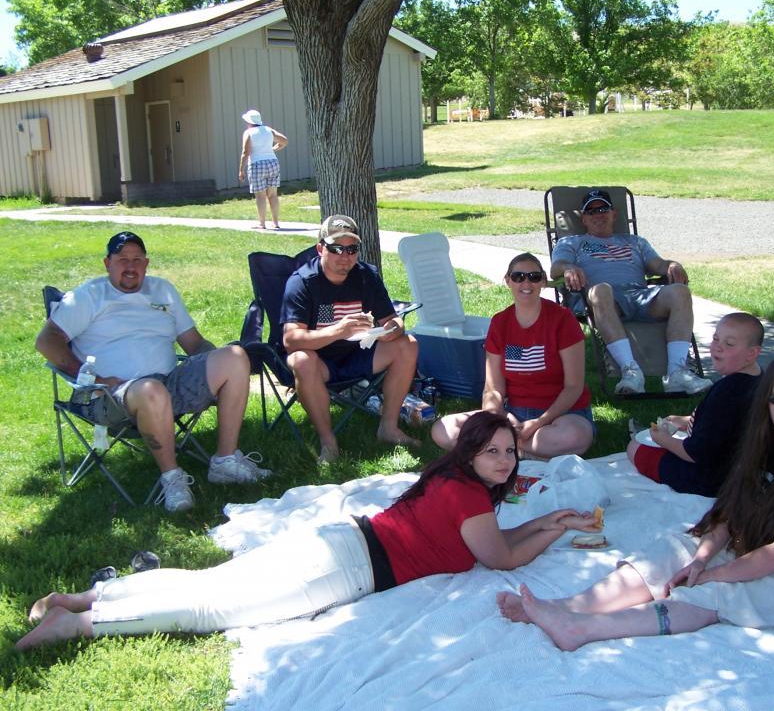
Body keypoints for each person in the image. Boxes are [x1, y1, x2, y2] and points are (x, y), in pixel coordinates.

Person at [16, 412, 602, 650]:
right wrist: (552, 529)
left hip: (339, 540)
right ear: (469, 452)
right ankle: (79, 623)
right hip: (345, 567)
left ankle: (90, 596)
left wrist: (548, 520)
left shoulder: (455, 482)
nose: (505, 460)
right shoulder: (468, 494)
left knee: (210, 582)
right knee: (211, 608)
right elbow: (501, 558)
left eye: (509, 452)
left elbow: (495, 541)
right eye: (492, 450)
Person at [498, 351, 774, 650]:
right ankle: (569, 606)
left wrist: (713, 575)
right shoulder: (769, 443)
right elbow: (731, 512)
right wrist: (702, 558)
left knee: (713, 593)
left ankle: (580, 629)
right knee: (678, 548)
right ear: (766, 403)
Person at [35, 232, 270, 513]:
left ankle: (225, 461)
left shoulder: (163, 290)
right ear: (107, 263)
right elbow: (46, 341)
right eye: (122, 260)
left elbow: (194, 343)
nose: (130, 266)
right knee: (151, 390)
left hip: (169, 383)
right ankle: (172, 478)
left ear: (146, 264)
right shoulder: (88, 296)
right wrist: (92, 379)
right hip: (112, 395)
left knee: (235, 356)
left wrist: (218, 371)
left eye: (137, 260)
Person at [280, 214, 419, 462]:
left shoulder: (366, 276)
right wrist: (339, 331)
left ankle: (388, 428)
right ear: (320, 248)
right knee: (301, 360)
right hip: (320, 361)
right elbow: (291, 340)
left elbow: (392, 319)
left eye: (351, 249)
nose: (345, 256)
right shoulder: (302, 282)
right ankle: (328, 441)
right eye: (336, 248)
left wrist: (392, 329)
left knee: (408, 345)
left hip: (359, 353)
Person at [550, 188, 711, 396]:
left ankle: (677, 372)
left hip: (640, 296)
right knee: (601, 290)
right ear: (584, 219)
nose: (598, 214)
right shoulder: (571, 242)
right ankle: (631, 372)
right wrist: (568, 268)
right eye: (591, 211)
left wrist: (672, 265)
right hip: (601, 299)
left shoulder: (635, 242)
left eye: (603, 209)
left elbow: (658, 264)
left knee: (680, 291)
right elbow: (556, 268)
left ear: (614, 214)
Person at [432, 254, 595, 459]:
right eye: (518, 277)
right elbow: (493, 389)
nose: (526, 283)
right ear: (508, 281)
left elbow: (573, 386)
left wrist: (538, 423)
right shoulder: (500, 323)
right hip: (513, 414)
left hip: (562, 415)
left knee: (574, 437)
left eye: (534, 277)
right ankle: (521, 449)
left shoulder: (563, 319)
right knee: (443, 429)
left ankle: (501, 449)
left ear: (543, 282)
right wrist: (497, 420)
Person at [627, 312, 764, 496]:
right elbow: (726, 424)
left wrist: (663, 440)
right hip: (743, 471)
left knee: (635, 447)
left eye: (729, 344)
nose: (718, 347)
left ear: (751, 353)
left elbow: (695, 453)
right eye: (716, 338)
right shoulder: (761, 380)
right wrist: (686, 421)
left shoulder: (726, 392)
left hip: (710, 480)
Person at [238, 109, 288, 230]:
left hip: (256, 164)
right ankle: (275, 223)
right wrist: (273, 149)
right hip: (272, 162)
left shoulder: (248, 133)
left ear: (249, 122)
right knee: (273, 195)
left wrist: (241, 170)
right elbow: (284, 141)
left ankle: (262, 224)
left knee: (260, 196)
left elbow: (245, 152)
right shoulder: (268, 130)